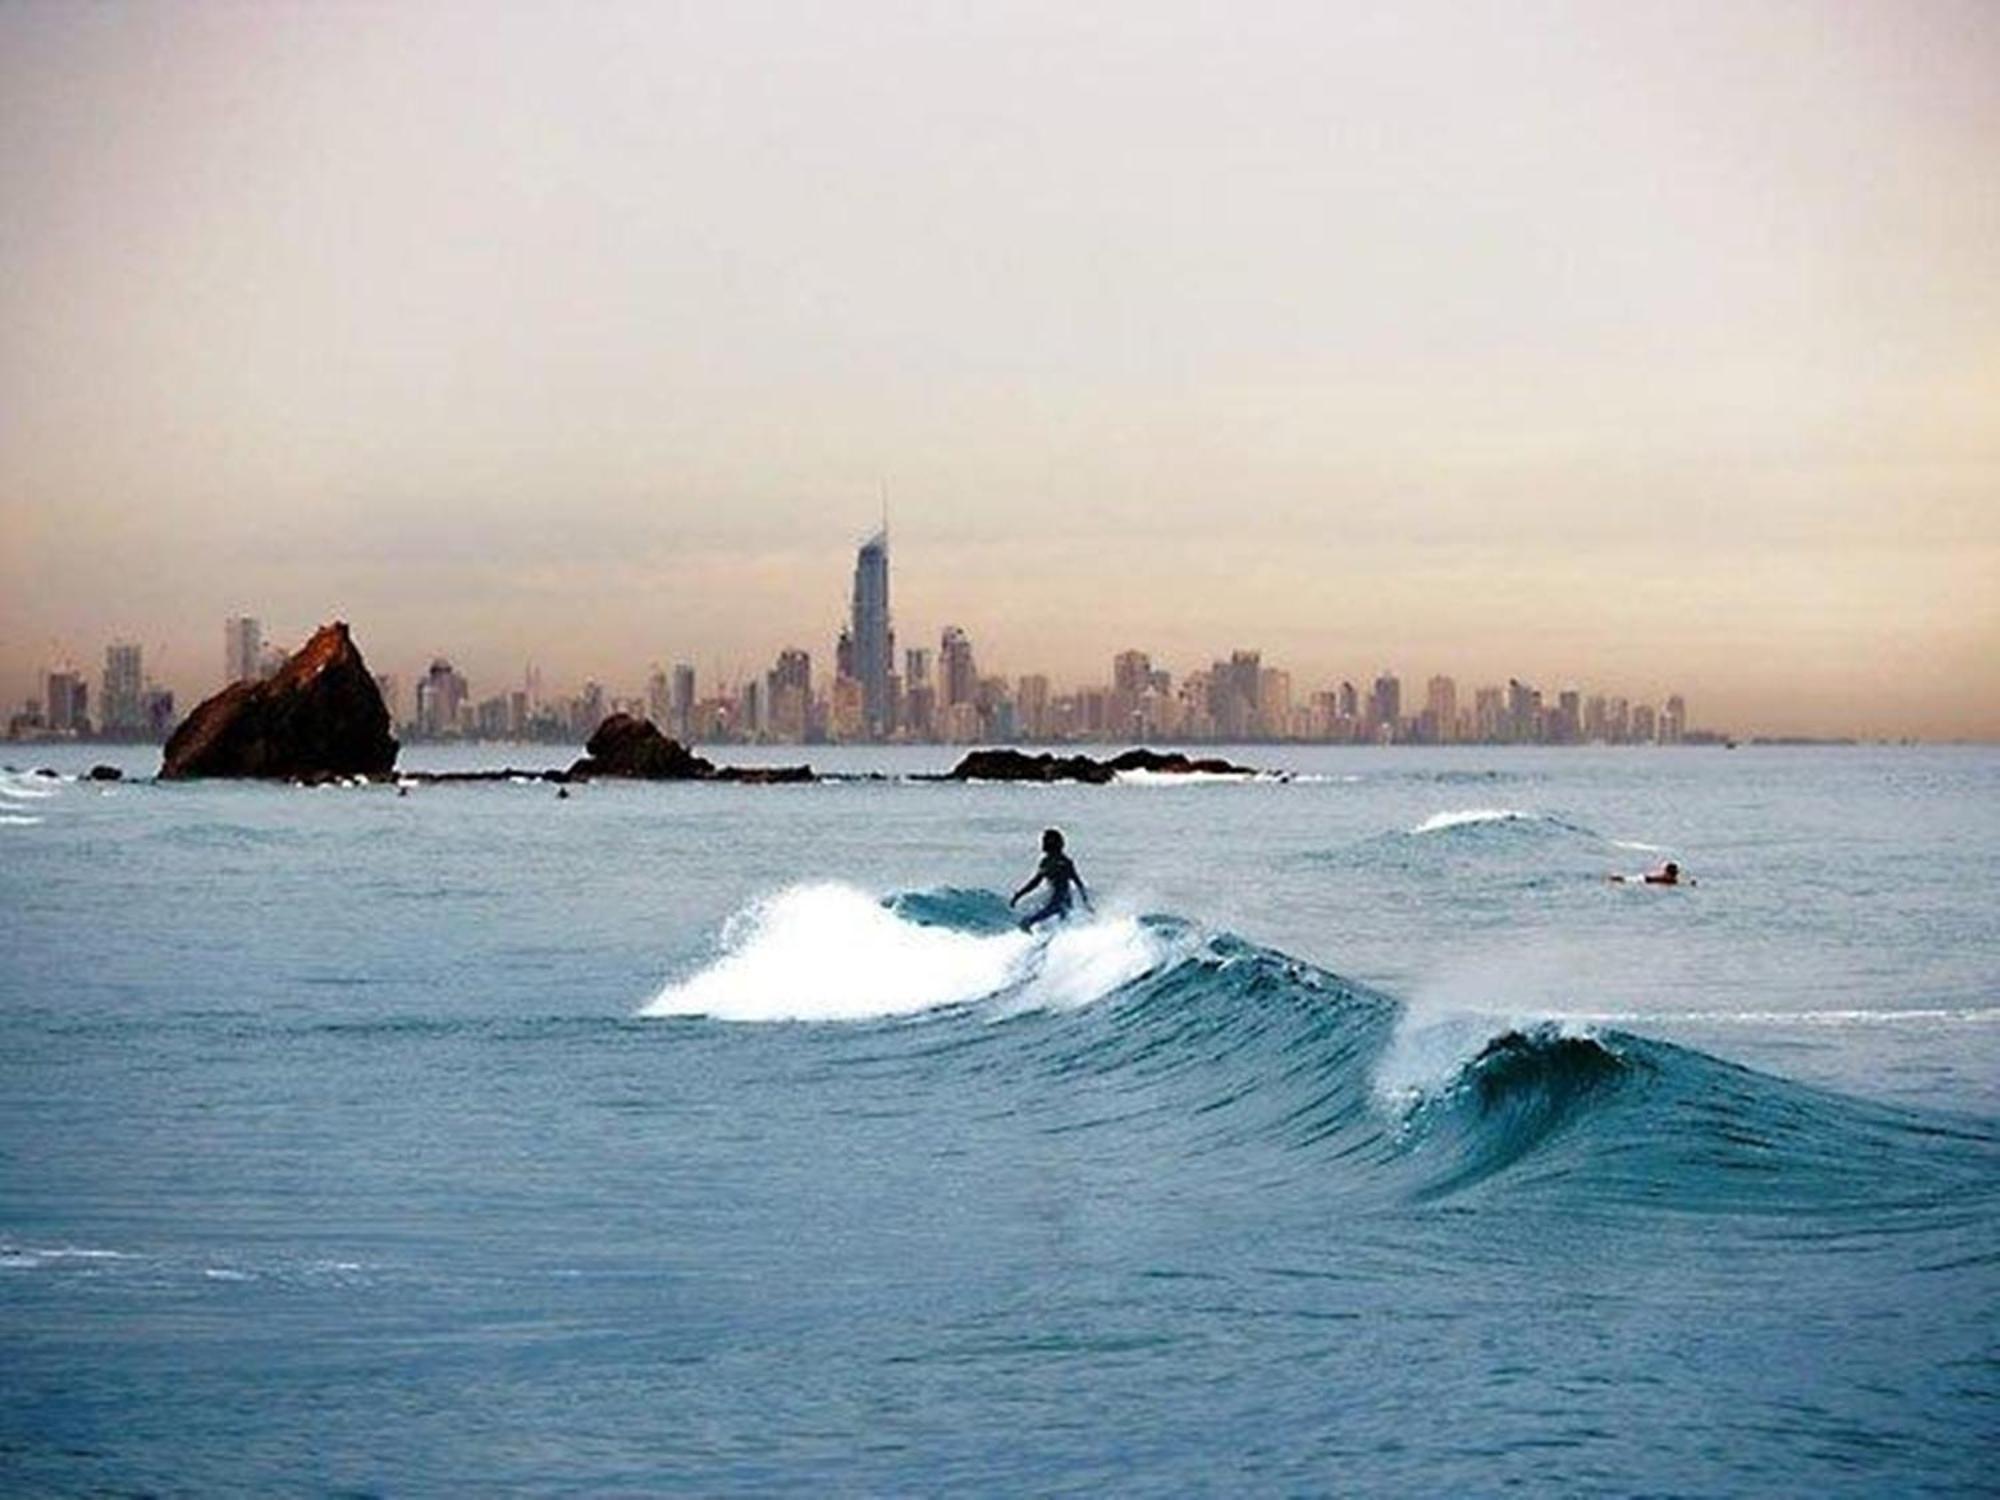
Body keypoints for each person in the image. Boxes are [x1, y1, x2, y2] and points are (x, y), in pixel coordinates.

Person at [1011, 828, 1091, 931]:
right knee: (1064, 928)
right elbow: (1079, 884)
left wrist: (1018, 895)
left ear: (1051, 844)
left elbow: (1035, 882)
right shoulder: (1055, 861)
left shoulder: (1058, 862)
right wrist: (1086, 903)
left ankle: (1039, 942)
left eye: (1044, 841)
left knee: (1025, 923)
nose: (1042, 844)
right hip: (1062, 901)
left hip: (1058, 901)